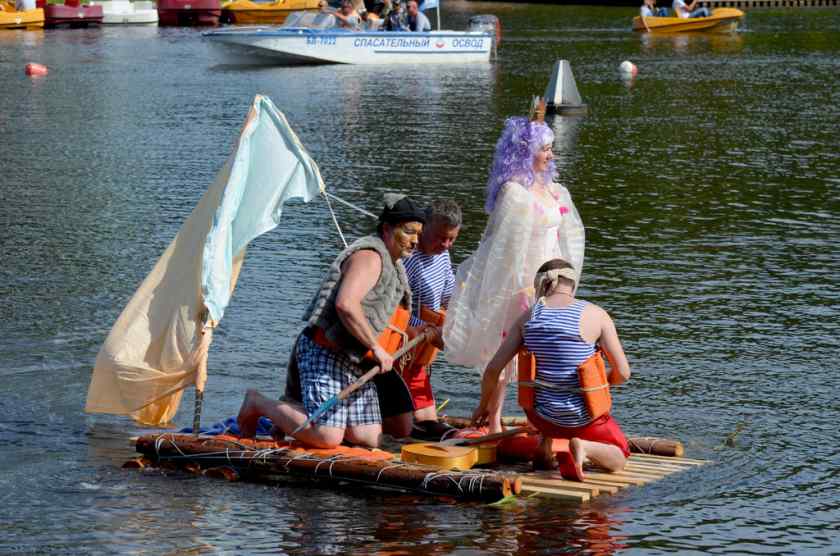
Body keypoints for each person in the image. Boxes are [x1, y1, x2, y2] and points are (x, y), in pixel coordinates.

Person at [237, 194, 427, 449]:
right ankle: (258, 402)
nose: (415, 240)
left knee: (368, 438)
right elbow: (346, 304)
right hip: (326, 352)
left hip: (356, 361)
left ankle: (300, 411)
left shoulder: (395, 264)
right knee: (327, 436)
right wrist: (378, 348)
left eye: (418, 233)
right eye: (409, 232)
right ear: (386, 229)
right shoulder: (370, 257)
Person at [443, 99, 585, 434]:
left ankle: (544, 416)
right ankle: (491, 418)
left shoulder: (553, 189)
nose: (550, 155)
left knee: (545, 350)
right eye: (544, 149)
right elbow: (500, 245)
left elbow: (569, 236)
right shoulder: (515, 193)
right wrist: (508, 285)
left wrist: (565, 280)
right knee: (503, 351)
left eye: (551, 148)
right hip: (520, 280)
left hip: (552, 279)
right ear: (523, 152)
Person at [472, 258, 632, 481]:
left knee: (545, 391)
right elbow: (623, 373)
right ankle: (583, 446)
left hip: (541, 416)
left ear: (542, 285)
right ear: (573, 285)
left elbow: (493, 370)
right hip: (582, 418)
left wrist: (483, 407)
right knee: (620, 456)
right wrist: (600, 382)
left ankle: (545, 444)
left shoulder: (527, 318)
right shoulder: (596, 315)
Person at [401, 199, 462, 439]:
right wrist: (425, 329)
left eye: (452, 239)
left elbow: (449, 296)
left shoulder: (443, 256)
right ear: (423, 227)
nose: (446, 245)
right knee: (412, 423)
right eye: (440, 237)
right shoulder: (408, 258)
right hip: (403, 346)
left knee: (427, 418)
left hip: (425, 347)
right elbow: (395, 310)